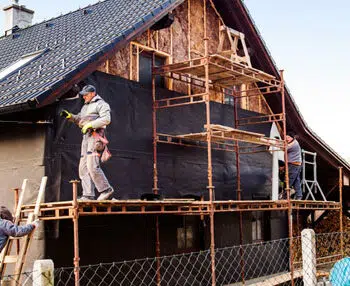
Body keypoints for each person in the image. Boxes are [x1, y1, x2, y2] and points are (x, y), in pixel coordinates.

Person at [60, 85, 114, 201]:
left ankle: (106, 189)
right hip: (86, 138)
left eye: (86, 94)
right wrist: (70, 117)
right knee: (83, 168)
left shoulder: (101, 104)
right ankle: (88, 195)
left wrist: (90, 125)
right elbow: (80, 119)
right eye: (83, 94)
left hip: (95, 137)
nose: (83, 96)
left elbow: (106, 119)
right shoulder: (85, 107)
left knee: (92, 165)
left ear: (93, 93)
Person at [286, 132, 302, 200]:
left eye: (288, 137)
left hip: (293, 164)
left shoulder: (294, 144)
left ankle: (285, 195)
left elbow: (284, 148)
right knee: (296, 180)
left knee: (289, 179)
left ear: (292, 137)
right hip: (296, 164)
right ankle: (299, 195)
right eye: (286, 137)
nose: (287, 139)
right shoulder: (293, 142)